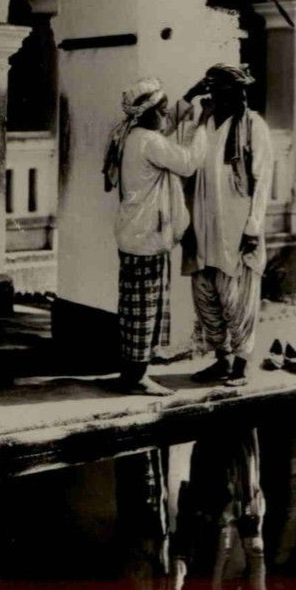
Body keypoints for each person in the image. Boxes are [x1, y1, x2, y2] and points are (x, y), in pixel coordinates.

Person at [103, 75, 208, 395]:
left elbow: (166, 124)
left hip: (135, 234)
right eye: (161, 110)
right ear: (146, 112)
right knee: (144, 310)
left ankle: (131, 374)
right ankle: (136, 379)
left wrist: (188, 95)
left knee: (135, 307)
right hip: (146, 236)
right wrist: (202, 123)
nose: (166, 115)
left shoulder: (128, 134)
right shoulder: (149, 141)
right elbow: (188, 162)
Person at [183, 64, 273, 387]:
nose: (238, 96)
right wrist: (190, 96)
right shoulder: (204, 123)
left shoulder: (253, 126)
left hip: (238, 228)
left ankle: (241, 364)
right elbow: (177, 136)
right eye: (227, 90)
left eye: (239, 90)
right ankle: (220, 359)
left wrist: (253, 226)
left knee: (239, 295)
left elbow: (262, 182)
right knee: (205, 292)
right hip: (204, 224)